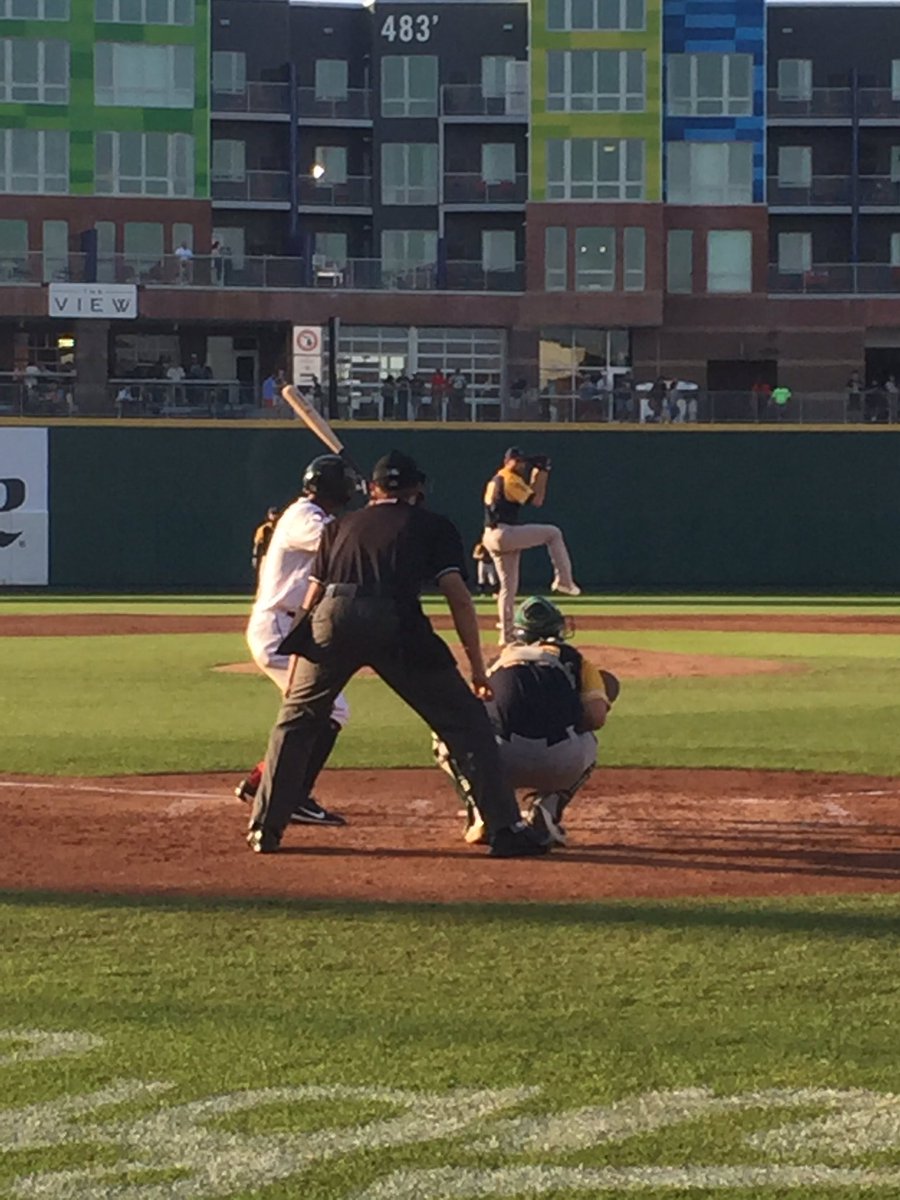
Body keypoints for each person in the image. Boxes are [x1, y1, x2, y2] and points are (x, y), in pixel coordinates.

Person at [246, 449, 548, 858]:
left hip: (330, 619)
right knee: (465, 722)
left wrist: (301, 654)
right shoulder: (433, 525)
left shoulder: (339, 528)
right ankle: (504, 829)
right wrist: (477, 668)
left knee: (296, 721)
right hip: (395, 619)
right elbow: (459, 598)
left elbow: (312, 597)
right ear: (418, 489)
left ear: (372, 489)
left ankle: (266, 829)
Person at [434, 595, 618, 848]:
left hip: (499, 763)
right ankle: (548, 807)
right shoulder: (576, 660)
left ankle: (481, 811)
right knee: (589, 740)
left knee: (446, 736)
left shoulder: (497, 661)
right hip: (561, 763)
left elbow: (472, 715)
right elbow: (596, 718)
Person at [238, 456, 358, 825]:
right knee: (328, 709)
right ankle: (293, 797)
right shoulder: (302, 515)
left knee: (315, 712)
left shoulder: (314, 514)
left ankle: (263, 782)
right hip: (279, 629)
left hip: (293, 629)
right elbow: (334, 542)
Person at [482, 446, 581, 645]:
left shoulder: (498, 478)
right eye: (517, 461)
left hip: (491, 534)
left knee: (508, 589)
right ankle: (564, 580)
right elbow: (537, 500)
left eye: (522, 462)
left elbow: (531, 494)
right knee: (553, 533)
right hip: (503, 533)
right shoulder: (509, 478)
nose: (520, 465)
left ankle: (506, 635)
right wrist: (543, 473)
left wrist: (537, 472)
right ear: (508, 462)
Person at [251, 506, 280, 580]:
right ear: (268, 515)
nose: (274, 516)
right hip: (266, 555)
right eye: (272, 514)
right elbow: (257, 543)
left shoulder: (281, 527)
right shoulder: (264, 528)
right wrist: (255, 557)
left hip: (278, 556)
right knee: (264, 577)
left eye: (276, 513)